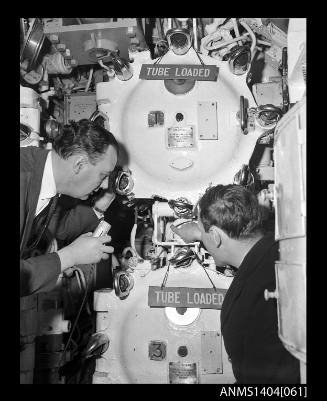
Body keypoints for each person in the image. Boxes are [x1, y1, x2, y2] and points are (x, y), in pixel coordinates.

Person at [171, 184, 300, 384]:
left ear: (214, 236)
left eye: (205, 233)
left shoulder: (240, 311)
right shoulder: (288, 240)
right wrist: (200, 232)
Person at [20, 119, 118, 297]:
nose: (104, 185)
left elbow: (61, 227)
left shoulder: (43, 176)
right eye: (103, 175)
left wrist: (100, 205)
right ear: (79, 164)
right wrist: (70, 256)